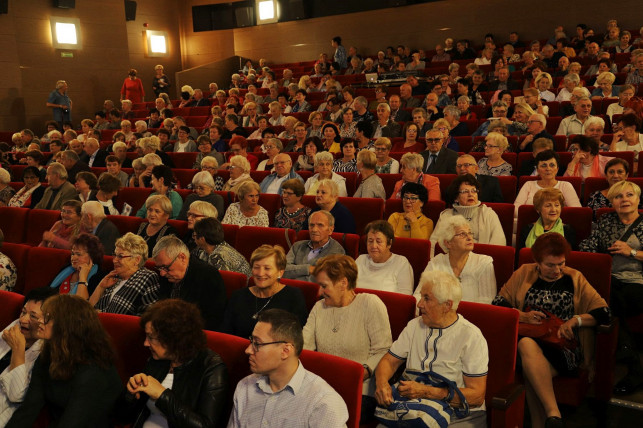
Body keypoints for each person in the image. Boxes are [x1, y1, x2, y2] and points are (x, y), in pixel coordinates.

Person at [495, 233, 610, 427]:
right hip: (529, 342)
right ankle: (553, 417)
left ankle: (548, 417)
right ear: (536, 262)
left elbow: (603, 312)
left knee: (529, 360)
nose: (557, 270)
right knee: (527, 347)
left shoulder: (574, 278)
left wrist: (575, 320)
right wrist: (522, 316)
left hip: (563, 347)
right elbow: (498, 305)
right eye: (550, 265)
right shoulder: (524, 273)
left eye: (561, 264)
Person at [375, 270, 488, 426]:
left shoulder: (471, 336)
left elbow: (477, 396)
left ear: (447, 305)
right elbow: (389, 361)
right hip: (414, 406)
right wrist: (382, 384)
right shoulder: (414, 326)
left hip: (458, 414)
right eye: (421, 296)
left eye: (426, 299)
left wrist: (427, 392)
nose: (419, 304)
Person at [6, 295, 122, 428]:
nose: (40, 321)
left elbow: (73, 422)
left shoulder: (92, 371)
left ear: (66, 325)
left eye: (48, 317)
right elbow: (28, 410)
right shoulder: (50, 354)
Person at [304, 254, 392, 423]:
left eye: (324, 286)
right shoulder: (318, 307)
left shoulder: (370, 304)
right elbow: (305, 346)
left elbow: (383, 350)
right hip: (322, 388)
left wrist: (359, 373)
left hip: (359, 391)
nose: (319, 292)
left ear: (343, 283)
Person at [228, 308, 349, 427]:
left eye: (257, 344)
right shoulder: (245, 387)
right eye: (251, 341)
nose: (248, 350)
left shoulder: (323, 403)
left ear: (285, 351)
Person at [120, 299, 229, 427]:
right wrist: (130, 395)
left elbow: (206, 425)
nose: (145, 343)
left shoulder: (211, 367)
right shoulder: (157, 361)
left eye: (151, 337)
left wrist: (162, 395)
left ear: (173, 337)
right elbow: (122, 417)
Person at [579, 180, 643, 395]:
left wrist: (631, 252)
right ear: (612, 202)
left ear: (638, 199)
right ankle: (633, 361)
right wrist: (593, 256)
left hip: (637, 282)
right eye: (618, 196)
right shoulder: (606, 221)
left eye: (629, 195)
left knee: (609, 299)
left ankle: (625, 352)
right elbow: (587, 245)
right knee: (609, 290)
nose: (624, 199)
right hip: (611, 279)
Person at [0, 287, 58, 424]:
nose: (23, 320)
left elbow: (16, 395)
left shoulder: (47, 351)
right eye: (23, 312)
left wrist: (18, 350)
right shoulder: (15, 326)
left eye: (33, 316)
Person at [223, 245, 308, 338]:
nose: (260, 273)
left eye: (267, 268)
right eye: (256, 267)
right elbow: (225, 334)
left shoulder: (293, 296)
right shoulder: (238, 296)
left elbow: (296, 338)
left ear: (280, 272)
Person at [419, 216, 496, 304]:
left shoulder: (483, 263)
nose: (469, 238)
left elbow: (487, 302)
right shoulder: (436, 263)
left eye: (470, 233)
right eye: (462, 234)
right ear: (448, 243)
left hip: (473, 316)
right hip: (439, 316)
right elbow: (419, 294)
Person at [433, 174, 506, 250]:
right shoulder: (446, 215)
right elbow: (434, 242)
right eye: (465, 191)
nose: (470, 194)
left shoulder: (489, 214)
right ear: (456, 198)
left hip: (482, 259)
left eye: (474, 191)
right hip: (452, 259)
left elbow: (499, 243)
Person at [515, 150, 582, 216]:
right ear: (538, 170)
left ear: (557, 169)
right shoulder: (528, 184)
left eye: (552, 165)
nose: (548, 169)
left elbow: (577, 211)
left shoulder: (566, 185)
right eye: (544, 165)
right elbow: (515, 210)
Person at [285, 210, 345, 282]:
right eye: (311, 225)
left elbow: (322, 280)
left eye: (320, 225)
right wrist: (308, 269)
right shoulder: (297, 246)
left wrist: (294, 273)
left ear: (330, 230)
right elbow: (282, 271)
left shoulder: (337, 252)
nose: (314, 229)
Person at [355, 221, 414, 295]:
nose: (374, 246)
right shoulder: (361, 260)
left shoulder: (401, 263)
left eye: (378, 241)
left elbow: (405, 296)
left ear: (389, 243)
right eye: (370, 241)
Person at [518, 188, 577, 252]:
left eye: (557, 205)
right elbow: (520, 257)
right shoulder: (527, 229)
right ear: (538, 209)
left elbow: (571, 258)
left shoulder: (568, 231)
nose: (553, 210)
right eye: (548, 206)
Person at [49, 233, 105, 298]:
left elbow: (83, 304)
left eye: (78, 254)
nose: (73, 258)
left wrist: (83, 277)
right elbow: (47, 291)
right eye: (72, 254)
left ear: (92, 256)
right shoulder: (66, 268)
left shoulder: (99, 278)